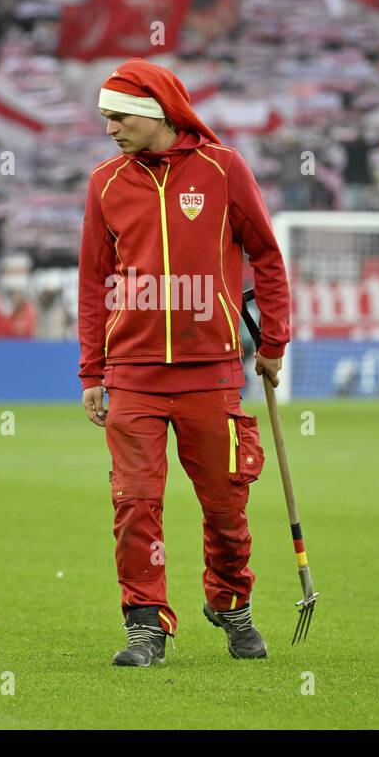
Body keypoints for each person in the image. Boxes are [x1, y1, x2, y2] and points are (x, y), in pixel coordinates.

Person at [78, 58, 290, 667]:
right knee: (135, 504)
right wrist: (92, 373)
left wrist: (273, 345)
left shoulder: (226, 170)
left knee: (226, 507)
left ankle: (230, 603)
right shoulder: (104, 183)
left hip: (213, 374)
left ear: (155, 113)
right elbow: (94, 286)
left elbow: (267, 258)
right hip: (133, 376)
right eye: (105, 118)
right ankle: (146, 625)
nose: (111, 127)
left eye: (119, 116)